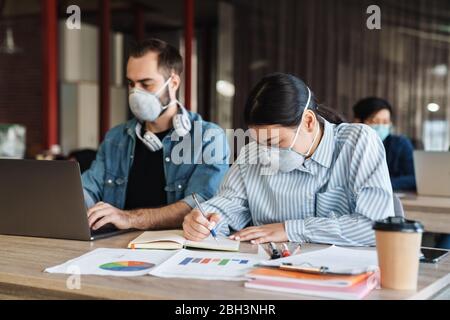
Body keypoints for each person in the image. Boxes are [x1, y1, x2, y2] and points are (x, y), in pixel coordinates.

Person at [182, 73, 394, 247]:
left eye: (275, 141)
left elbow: (376, 226)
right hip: (267, 270)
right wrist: (204, 220)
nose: (265, 152)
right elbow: (228, 205)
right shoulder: (253, 153)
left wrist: (289, 229)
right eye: (259, 141)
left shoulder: (358, 142)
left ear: (309, 121)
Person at [83, 39, 230, 232]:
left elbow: (200, 205)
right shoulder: (116, 138)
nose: (135, 93)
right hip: (114, 246)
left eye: (146, 83)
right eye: (131, 83)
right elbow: (88, 190)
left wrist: (129, 218)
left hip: (174, 250)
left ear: (174, 83)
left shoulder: (209, 138)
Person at [353, 97, 416, 191]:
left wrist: (377, 184)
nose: (381, 126)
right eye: (375, 121)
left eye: (385, 122)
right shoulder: (350, 146)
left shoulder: (400, 144)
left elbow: (414, 178)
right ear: (357, 122)